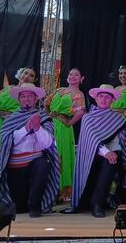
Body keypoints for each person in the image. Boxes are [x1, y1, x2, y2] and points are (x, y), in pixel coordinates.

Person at [65, 84, 126, 218]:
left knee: (111, 162)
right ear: (96, 99)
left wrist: (122, 153)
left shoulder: (117, 118)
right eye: (101, 96)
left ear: (112, 100)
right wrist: (106, 152)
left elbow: (123, 141)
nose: (103, 99)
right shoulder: (87, 117)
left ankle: (97, 204)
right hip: (92, 156)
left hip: (114, 154)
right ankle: (91, 201)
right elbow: (92, 139)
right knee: (104, 161)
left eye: (107, 97)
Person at [0, 83, 59, 217]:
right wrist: (26, 129)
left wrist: (38, 128)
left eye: (30, 96)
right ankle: (24, 203)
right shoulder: (11, 118)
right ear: (19, 99)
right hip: (15, 168)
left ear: (36, 99)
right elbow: (7, 140)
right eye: (23, 96)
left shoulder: (43, 117)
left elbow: (48, 143)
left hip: (35, 163)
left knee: (43, 165)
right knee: (20, 207)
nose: (26, 99)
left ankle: (35, 206)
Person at [0, 66, 38, 192]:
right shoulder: (7, 88)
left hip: (13, 127)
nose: (27, 76)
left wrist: (10, 116)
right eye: (25, 73)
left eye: (31, 75)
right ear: (20, 74)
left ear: (34, 80)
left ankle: (3, 187)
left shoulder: (29, 95)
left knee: (5, 155)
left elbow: (28, 112)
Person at [45, 68, 87, 199]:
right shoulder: (59, 90)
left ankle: (60, 190)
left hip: (63, 127)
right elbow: (46, 102)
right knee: (49, 154)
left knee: (61, 154)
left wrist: (69, 122)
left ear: (81, 79)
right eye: (70, 74)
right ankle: (49, 188)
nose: (72, 76)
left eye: (76, 75)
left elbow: (80, 111)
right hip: (51, 124)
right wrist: (49, 114)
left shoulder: (78, 94)